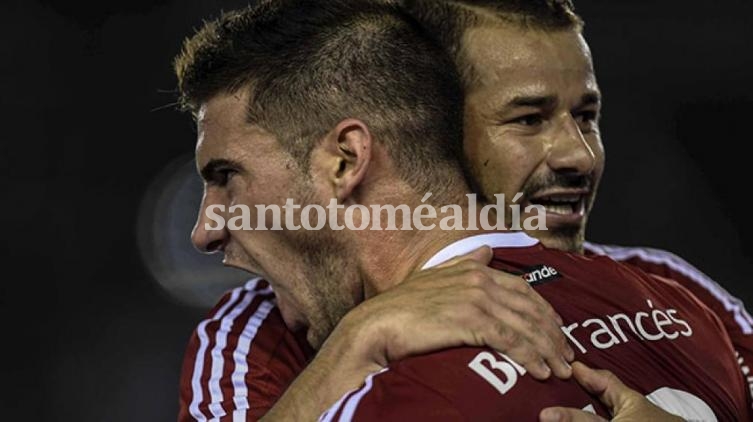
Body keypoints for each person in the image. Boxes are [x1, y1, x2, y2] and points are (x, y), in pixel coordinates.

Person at [174, 0, 749, 420]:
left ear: (349, 158)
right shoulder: (673, 306)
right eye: (527, 118)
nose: (579, 154)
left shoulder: (670, 285)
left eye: (588, 115)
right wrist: (358, 338)